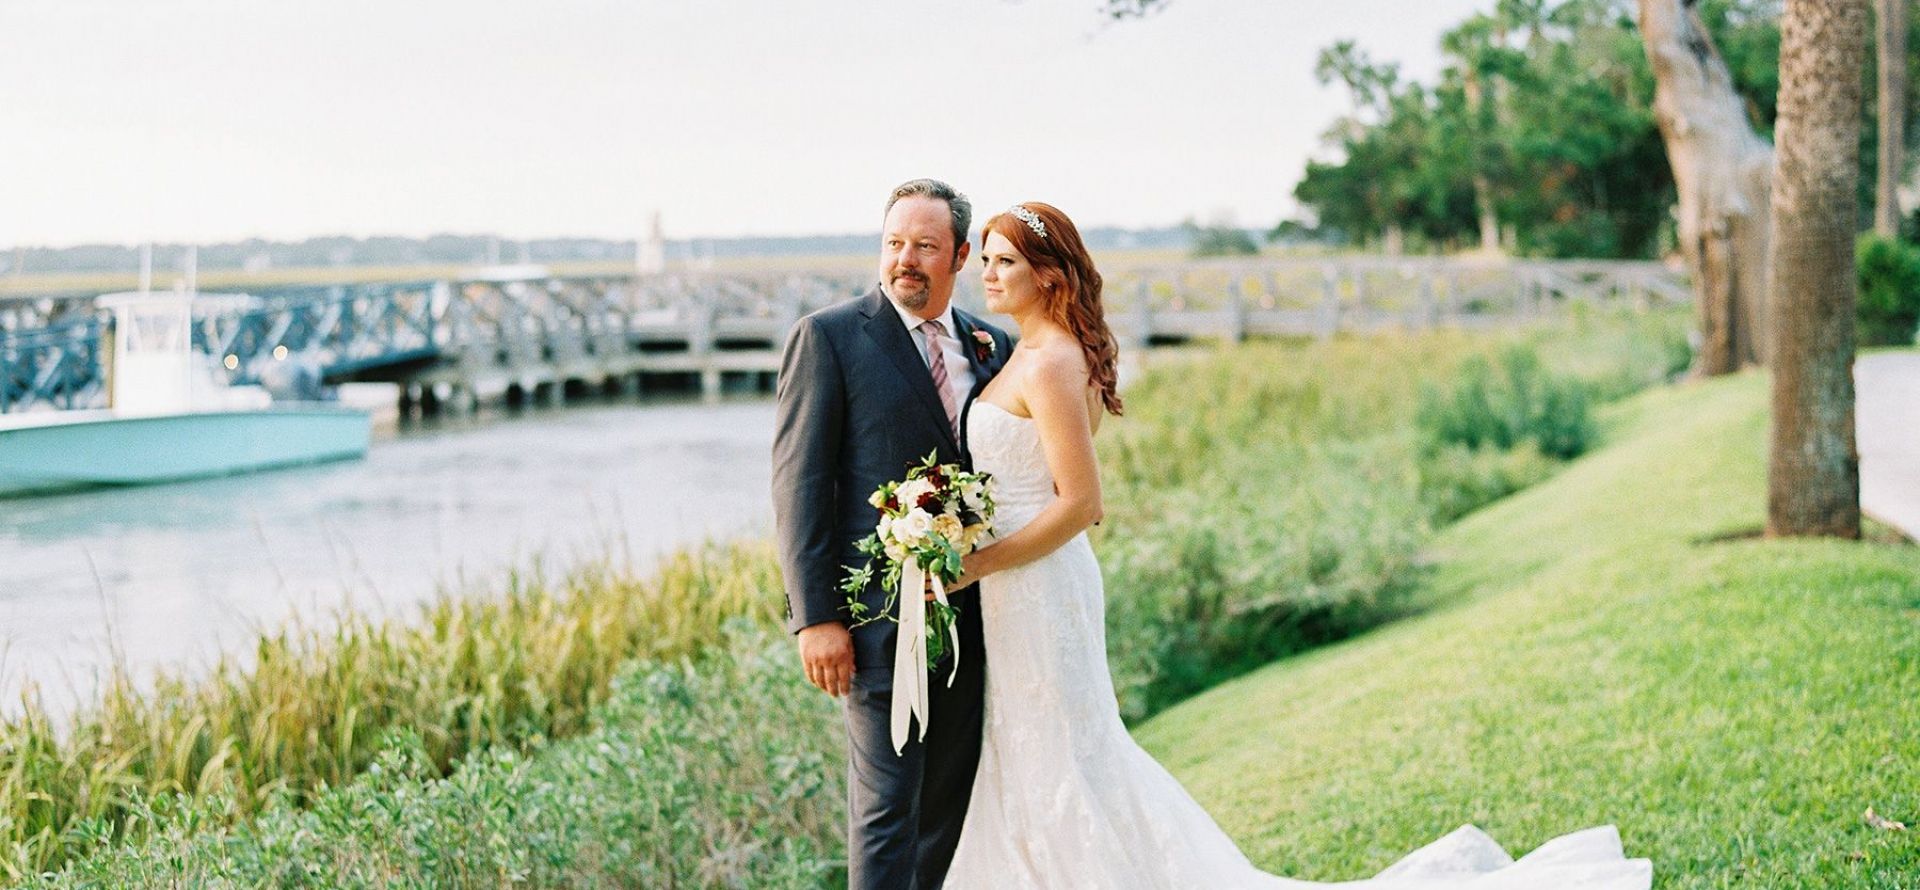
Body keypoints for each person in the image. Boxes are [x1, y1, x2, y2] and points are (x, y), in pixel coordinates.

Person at [939, 201, 1652, 889]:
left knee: (1063, 750)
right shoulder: (1023, 350)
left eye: (1005, 262)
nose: (988, 275)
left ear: (1051, 276)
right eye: (989, 262)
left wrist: (979, 563)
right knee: (1039, 749)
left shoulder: (1051, 362)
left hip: (1034, 579)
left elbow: (1083, 503)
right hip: (1015, 583)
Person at [772, 178, 1013, 890]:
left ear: (960, 255)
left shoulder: (993, 342)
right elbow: (799, 485)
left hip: (979, 618)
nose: (906, 260)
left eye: (926, 247)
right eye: (895, 244)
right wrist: (814, 618)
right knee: (884, 812)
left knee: (947, 805)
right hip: (876, 623)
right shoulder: (830, 338)